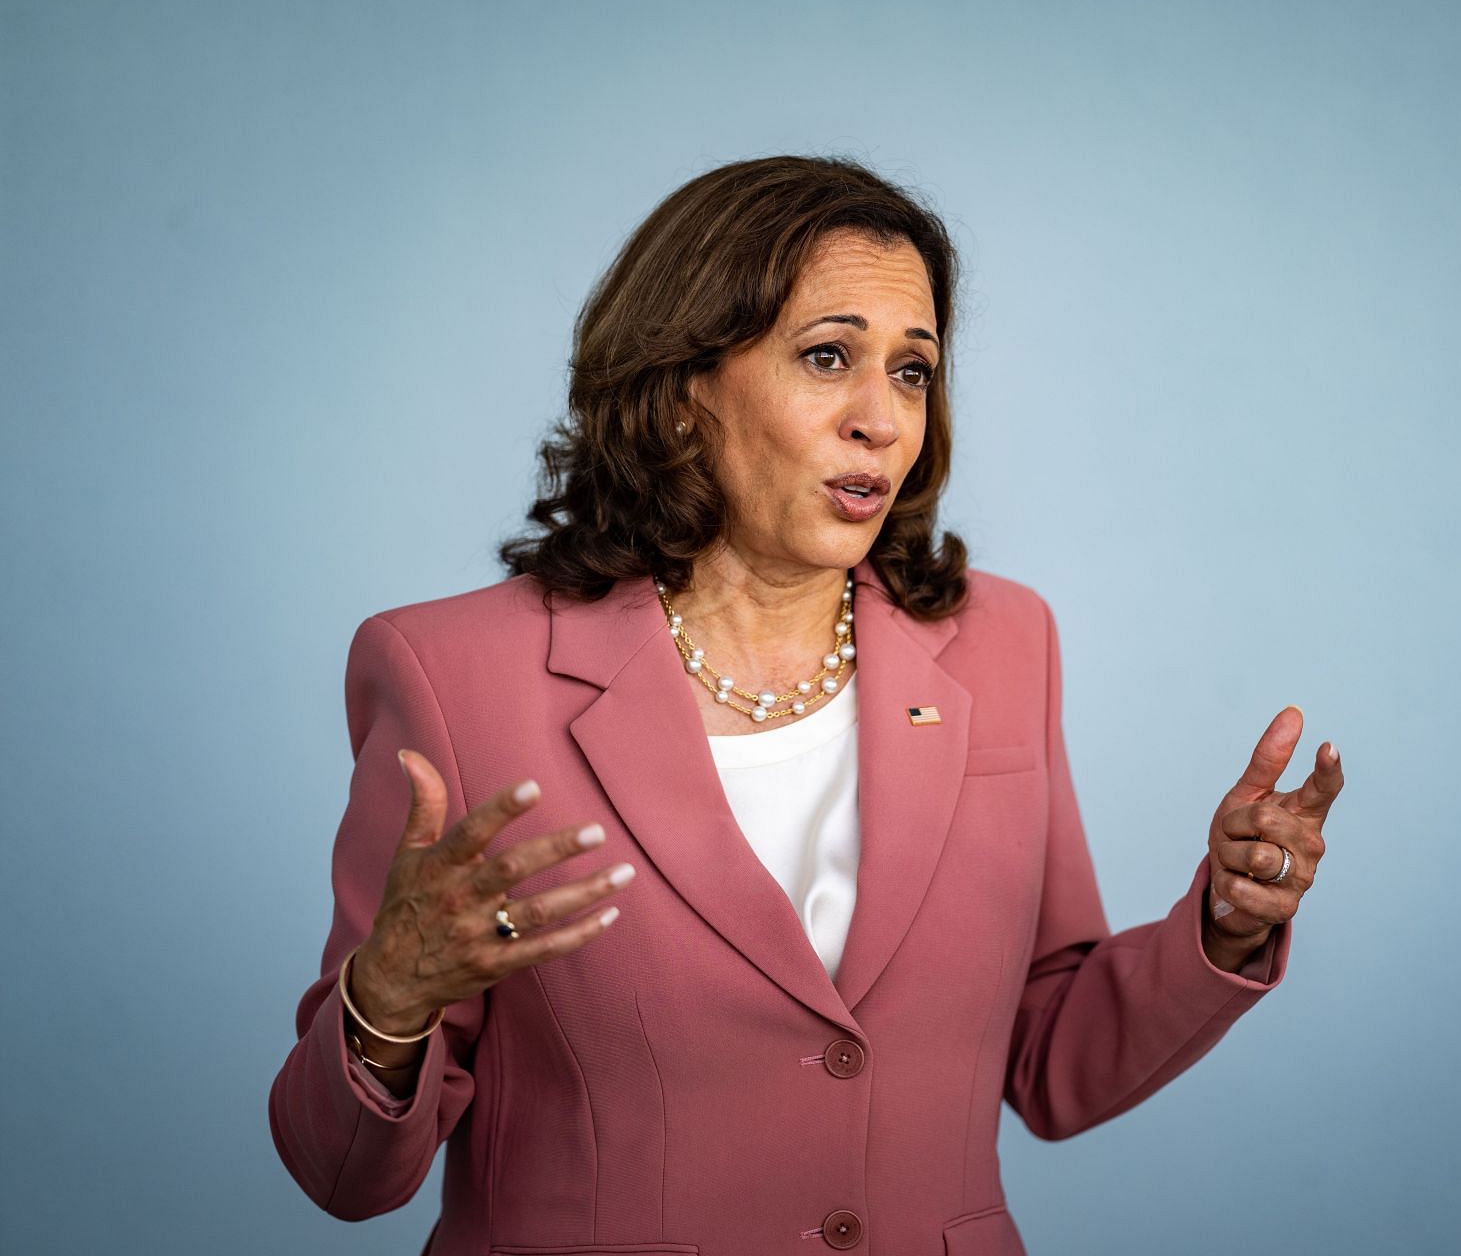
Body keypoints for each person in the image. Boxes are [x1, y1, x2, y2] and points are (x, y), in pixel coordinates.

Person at [268, 154, 1345, 1256]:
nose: (881, 418)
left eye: (913, 370)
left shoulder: (1005, 644)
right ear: (683, 389)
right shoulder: (453, 674)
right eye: (828, 357)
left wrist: (1224, 919)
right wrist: (387, 996)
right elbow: (343, 1172)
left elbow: (1052, 1060)